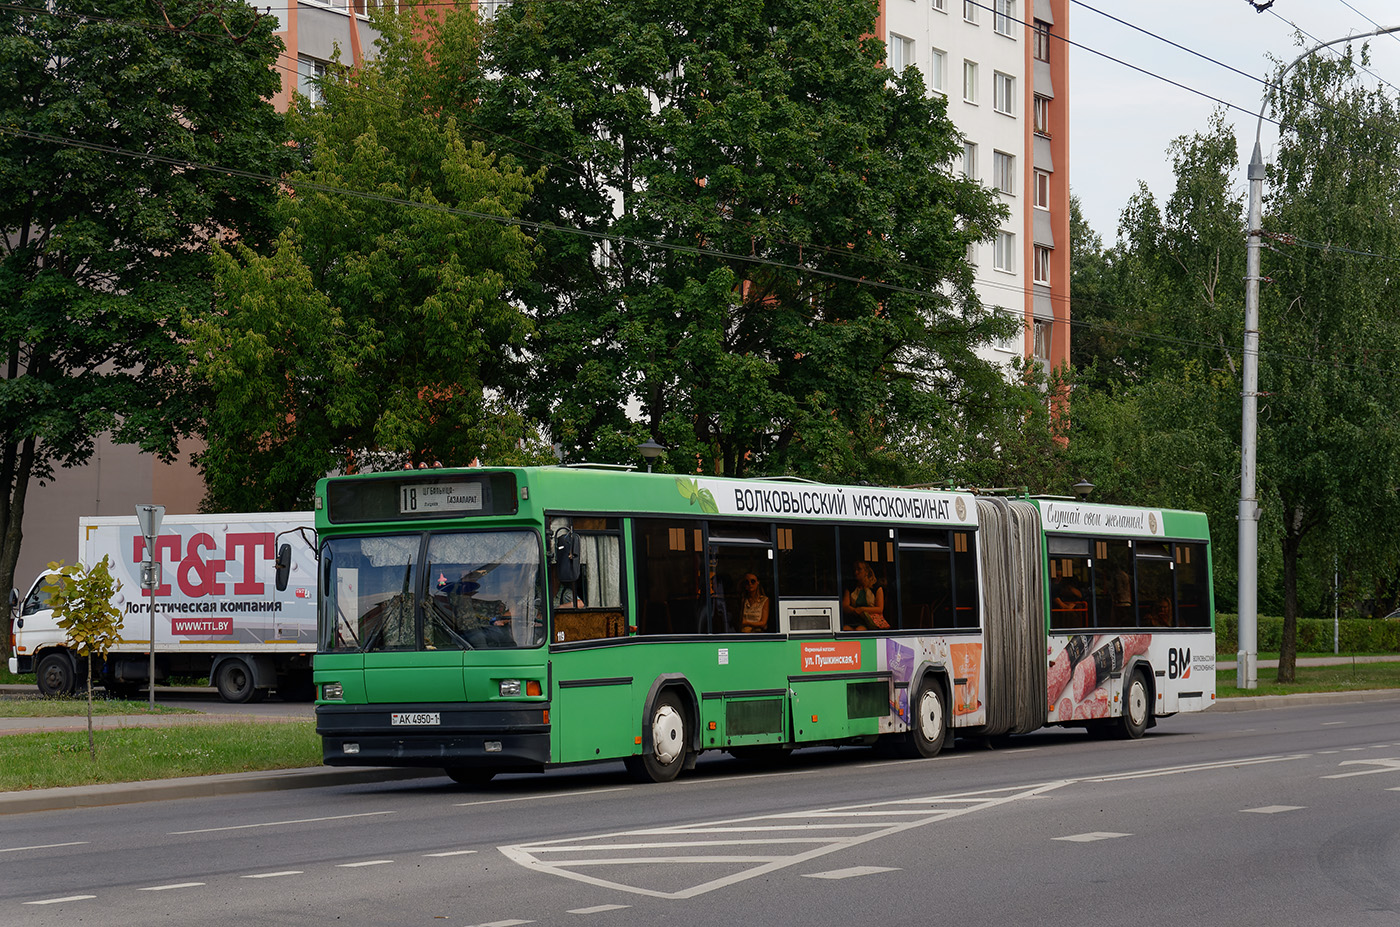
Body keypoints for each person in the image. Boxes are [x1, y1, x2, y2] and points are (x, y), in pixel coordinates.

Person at [842, 560, 887, 630]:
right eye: (855, 570)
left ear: (866, 572)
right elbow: (844, 606)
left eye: (859, 569)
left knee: (859, 630)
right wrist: (855, 610)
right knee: (845, 629)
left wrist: (862, 609)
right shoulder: (851, 587)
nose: (856, 572)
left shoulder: (876, 588)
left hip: (870, 621)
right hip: (853, 620)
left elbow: (880, 609)